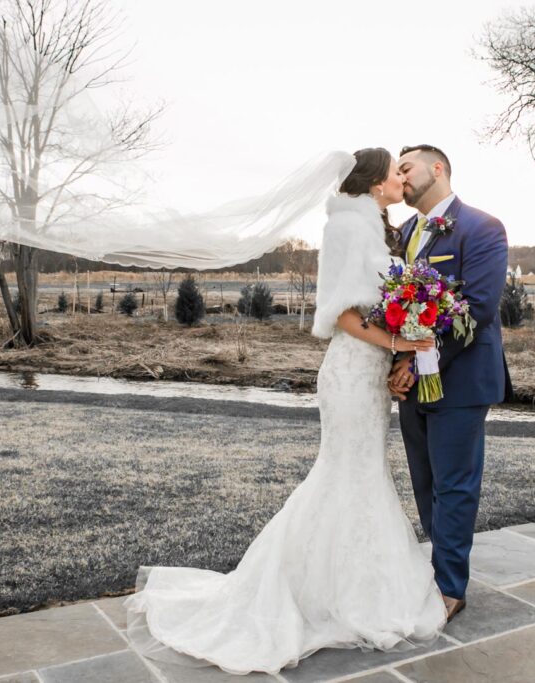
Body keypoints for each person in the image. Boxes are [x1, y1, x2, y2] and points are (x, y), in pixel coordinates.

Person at [123, 148, 448, 676]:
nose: (401, 179)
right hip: (350, 371)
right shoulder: (347, 227)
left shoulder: (373, 228)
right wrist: (397, 342)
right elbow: (342, 314)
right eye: (395, 171)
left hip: (370, 373)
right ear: (374, 182)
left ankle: (350, 584)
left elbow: (381, 303)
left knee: (364, 472)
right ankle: (316, 592)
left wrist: (403, 343)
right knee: (347, 473)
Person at [387, 144, 512, 623]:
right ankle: (436, 571)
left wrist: (417, 363)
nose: (400, 177)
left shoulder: (482, 227)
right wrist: (398, 361)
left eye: (406, 167)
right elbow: (391, 303)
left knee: (455, 486)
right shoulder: (402, 233)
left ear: (437, 168)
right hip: (409, 380)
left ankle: (450, 588)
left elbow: (477, 309)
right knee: (424, 482)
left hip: (460, 380)